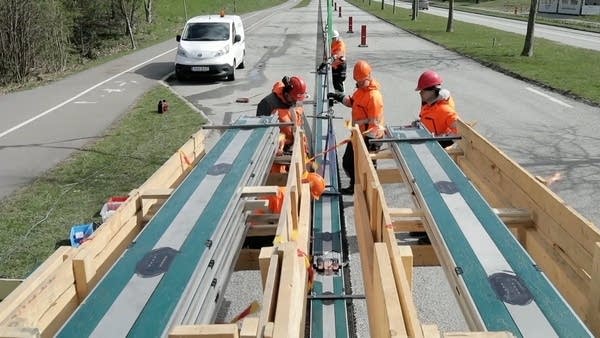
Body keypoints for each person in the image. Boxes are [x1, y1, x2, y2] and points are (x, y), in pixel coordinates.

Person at [328, 60, 385, 195]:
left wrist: (371, 142)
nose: (359, 83)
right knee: (348, 163)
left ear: (369, 77)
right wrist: (338, 96)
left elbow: (374, 123)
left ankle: (370, 193)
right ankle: (354, 186)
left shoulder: (374, 97)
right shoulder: (360, 91)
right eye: (357, 81)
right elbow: (351, 102)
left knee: (368, 168)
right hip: (358, 135)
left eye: (361, 81)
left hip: (370, 138)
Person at [256, 75, 308, 156]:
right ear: (286, 94)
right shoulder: (267, 104)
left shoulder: (292, 100)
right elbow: (261, 134)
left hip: (293, 143)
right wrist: (277, 147)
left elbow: (296, 121)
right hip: (278, 148)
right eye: (294, 99)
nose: (295, 102)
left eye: (298, 100)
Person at [415, 70, 459, 148]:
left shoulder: (445, 110)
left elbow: (458, 131)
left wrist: (439, 143)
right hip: (426, 142)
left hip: (436, 148)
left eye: (423, 90)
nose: (420, 93)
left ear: (433, 91)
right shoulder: (428, 104)